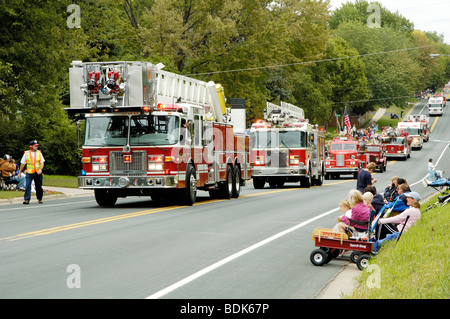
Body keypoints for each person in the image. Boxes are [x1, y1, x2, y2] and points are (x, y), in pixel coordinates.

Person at [18, 140, 45, 204]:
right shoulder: (26, 153)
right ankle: (26, 199)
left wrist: (40, 169)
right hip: (29, 172)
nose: (36, 147)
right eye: (35, 146)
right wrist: (19, 172)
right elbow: (22, 164)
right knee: (27, 185)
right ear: (31, 146)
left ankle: (40, 198)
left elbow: (42, 162)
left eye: (37, 146)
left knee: (38, 185)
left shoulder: (39, 153)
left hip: (37, 172)